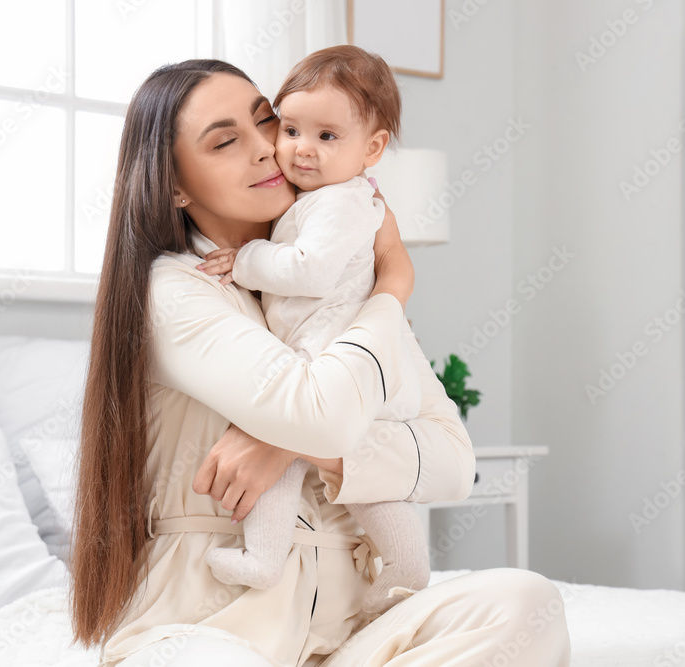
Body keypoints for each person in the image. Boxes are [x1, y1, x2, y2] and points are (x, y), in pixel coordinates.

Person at [68, 58, 571, 667]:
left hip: (352, 635)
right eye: (227, 141)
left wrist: (288, 445)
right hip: (213, 631)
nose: (269, 151)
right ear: (174, 184)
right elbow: (321, 414)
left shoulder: (340, 286)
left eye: (268, 125)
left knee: (525, 603)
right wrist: (394, 289)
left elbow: (453, 461)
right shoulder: (173, 291)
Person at [196, 45, 427, 617]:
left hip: (338, 358)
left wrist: (245, 258)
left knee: (347, 469)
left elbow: (312, 270)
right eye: (291, 128)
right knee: (316, 461)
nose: (300, 148)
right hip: (327, 355)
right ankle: (272, 557)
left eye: (327, 137)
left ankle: (396, 564)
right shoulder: (321, 199)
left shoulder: (346, 204)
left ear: (371, 149)